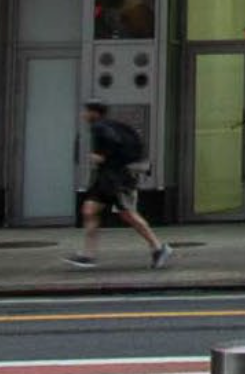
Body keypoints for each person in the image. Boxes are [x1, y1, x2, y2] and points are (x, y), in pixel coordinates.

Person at [63, 101, 169, 270]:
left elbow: (111, 145)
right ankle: (88, 255)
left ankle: (158, 248)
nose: (84, 115)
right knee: (89, 211)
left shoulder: (99, 128)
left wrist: (101, 156)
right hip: (105, 179)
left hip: (117, 180)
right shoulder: (110, 126)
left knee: (128, 215)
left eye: (87, 112)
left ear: (95, 113)